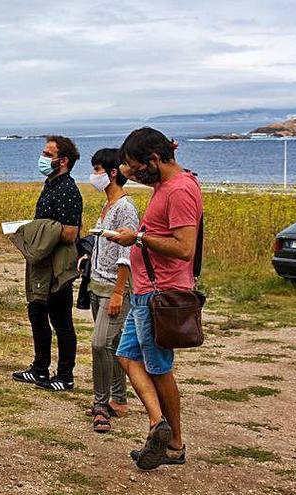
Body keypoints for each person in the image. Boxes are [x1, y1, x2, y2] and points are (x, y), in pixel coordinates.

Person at [106, 127, 203, 469]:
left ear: (156, 159)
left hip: (160, 293)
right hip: (145, 290)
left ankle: (174, 443)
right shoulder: (165, 185)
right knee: (126, 355)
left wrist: (139, 239)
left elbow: (184, 248)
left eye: (136, 166)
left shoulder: (179, 190)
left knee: (159, 368)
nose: (132, 173)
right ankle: (157, 425)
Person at [12, 135, 83, 391]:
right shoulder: (50, 185)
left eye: (48, 154)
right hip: (42, 262)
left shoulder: (68, 190)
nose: (43, 158)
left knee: (61, 319)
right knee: (37, 312)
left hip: (58, 266)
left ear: (63, 161)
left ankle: (65, 375)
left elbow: (70, 232)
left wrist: (37, 229)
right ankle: (40, 368)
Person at [84, 148, 139, 433]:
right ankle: (119, 399)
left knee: (99, 343)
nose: (93, 175)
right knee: (113, 344)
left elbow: (126, 253)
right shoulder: (108, 206)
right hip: (97, 283)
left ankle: (100, 403)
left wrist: (119, 291)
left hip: (112, 288)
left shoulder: (125, 208)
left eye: (96, 169)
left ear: (112, 172)